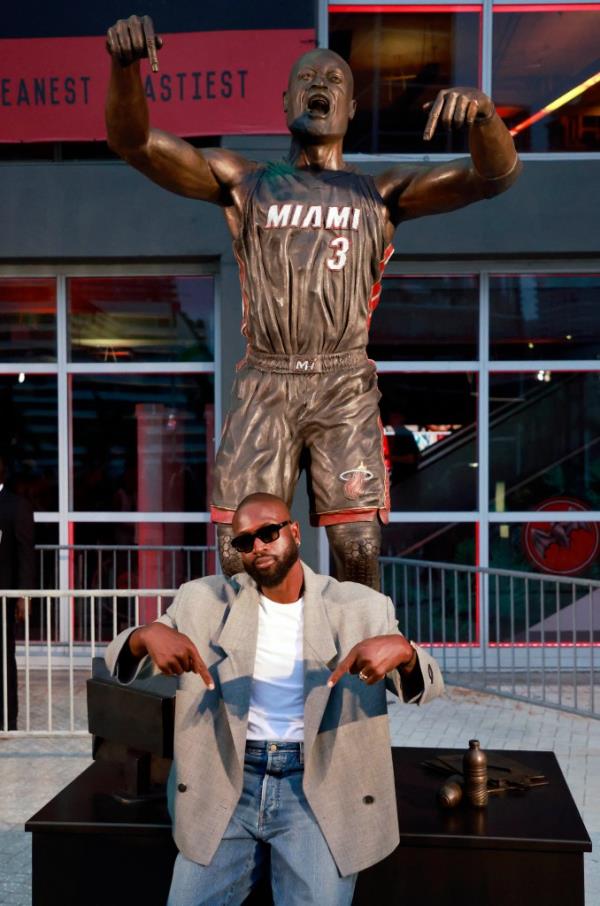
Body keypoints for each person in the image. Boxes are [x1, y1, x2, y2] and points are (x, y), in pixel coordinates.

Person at [105, 16, 521, 589]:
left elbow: (493, 176)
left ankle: (364, 672)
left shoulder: (379, 193)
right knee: (240, 553)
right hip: (266, 381)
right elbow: (135, 144)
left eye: (334, 78)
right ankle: (252, 672)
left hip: (342, 382)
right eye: (307, 76)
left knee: (356, 551)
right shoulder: (245, 181)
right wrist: (125, 69)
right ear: (285, 103)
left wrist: (485, 118)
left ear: (349, 109)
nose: (319, 83)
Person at [105, 492, 444, 905]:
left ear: (295, 531)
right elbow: (120, 655)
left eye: (268, 532)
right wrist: (145, 635)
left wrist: (406, 653)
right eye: (244, 541)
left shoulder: (360, 607)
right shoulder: (203, 601)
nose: (257, 547)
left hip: (316, 785)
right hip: (228, 782)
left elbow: (430, 686)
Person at [0, 455, 35, 731]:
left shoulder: (16, 506)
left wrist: (24, 595)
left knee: (3, 656)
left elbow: (25, 555)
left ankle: (6, 718)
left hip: (3, 596)